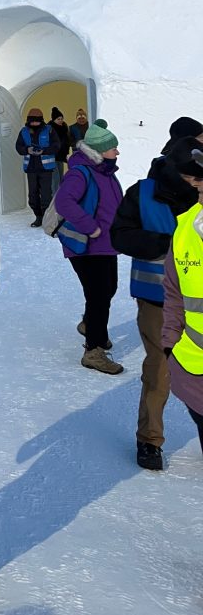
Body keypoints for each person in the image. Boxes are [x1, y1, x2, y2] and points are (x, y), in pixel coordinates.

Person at [110, 121, 203, 470]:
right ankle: (150, 439)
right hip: (156, 299)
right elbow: (119, 235)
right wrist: (167, 246)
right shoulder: (143, 192)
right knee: (161, 369)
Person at [55, 119, 124, 374]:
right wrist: (91, 227)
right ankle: (93, 351)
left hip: (105, 244)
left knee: (108, 289)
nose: (117, 152)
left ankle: (92, 326)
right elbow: (64, 202)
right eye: (113, 148)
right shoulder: (80, 173)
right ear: (100, 150)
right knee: (99, 295)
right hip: (86, 245)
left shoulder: (105, 171)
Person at [161, 137, 203, 457]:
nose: (196, 186)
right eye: (194, 180)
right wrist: (170, 343)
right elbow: (175, 293)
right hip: (193, 368)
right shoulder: (186, 226)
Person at [15, 108, 59, 226]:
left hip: (46, 169)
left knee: (46, 196)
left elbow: (56, 146)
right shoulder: (23, 131)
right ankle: (38, 217)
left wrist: (43, 151)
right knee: (32, 197)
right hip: (31, 169)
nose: (34, 123)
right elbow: (18, 147)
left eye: (37, 121)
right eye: (32, 121)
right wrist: (27, 150)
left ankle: (46, 218)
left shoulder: (49, 130)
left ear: (41, 120)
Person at [49, 106, 71, 189]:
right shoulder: (49, 128)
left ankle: (60, 194)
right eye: (58, 119)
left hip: (61, 156)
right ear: (53, 120)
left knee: (61, 177)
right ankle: (54, 195)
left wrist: (66, 152)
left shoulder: (64, 128)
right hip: (52, 156)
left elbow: (67, 141)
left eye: (61, 118)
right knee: (55, 178)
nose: (61, 120)